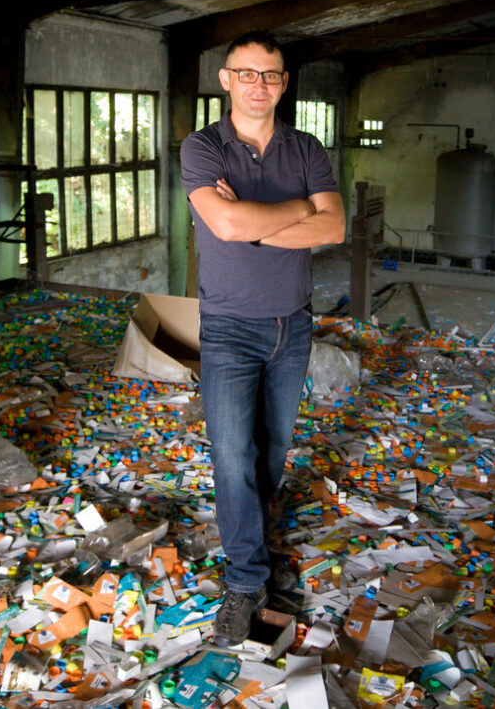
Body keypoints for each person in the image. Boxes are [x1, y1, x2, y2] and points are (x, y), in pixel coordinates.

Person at [180, 31, 345, 646]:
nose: (258, 85)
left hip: (293, 325)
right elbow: (222, 222)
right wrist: (294, 212)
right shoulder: (202, 148)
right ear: (225, 80)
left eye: (270, 75)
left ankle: (254, 537)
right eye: (245, 74)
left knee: (270, 452)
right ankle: (246, 581)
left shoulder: (305, 147)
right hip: (227, 327)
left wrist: (253, 226)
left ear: (284, 82)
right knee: (232, 456)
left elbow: (333, 226)